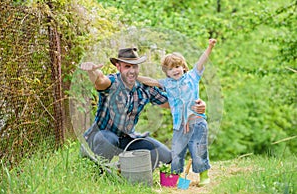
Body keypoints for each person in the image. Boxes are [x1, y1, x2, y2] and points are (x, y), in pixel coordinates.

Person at [79, 47, 207, 169]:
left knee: (168, 158)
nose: (132, 70)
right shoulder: (113, 82)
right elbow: (100, 80)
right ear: (118, 67)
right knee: (108, 139)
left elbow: (175, 103)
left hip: (128, 137)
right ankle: (98, 171)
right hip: (102, 135)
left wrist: (197, 106)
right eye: (127, 66)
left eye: (134, 66)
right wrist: (92, 71)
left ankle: (123, 168)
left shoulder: (145, 88)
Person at [138, 39, 217, 186]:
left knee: (198, 150)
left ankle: (204, 176)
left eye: (177, 66)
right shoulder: (167, 83)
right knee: (177, 153)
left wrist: (210, 47)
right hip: (179, 125)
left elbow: (201, 62)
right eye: (170, 68)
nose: (175, 70)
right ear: (166, 72)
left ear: (183, 67)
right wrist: (135, 76)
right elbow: (151, 81)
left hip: (197, 122)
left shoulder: (193, 77)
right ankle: (176, 178)